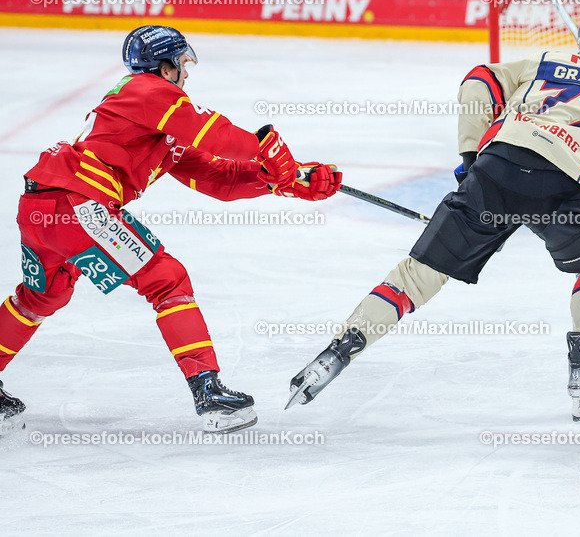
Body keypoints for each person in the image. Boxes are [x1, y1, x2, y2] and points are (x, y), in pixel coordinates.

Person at [287, 8, 580, 421]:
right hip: (562, 191)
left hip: (496, 169)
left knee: (418, 274)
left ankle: (341, 347)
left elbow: (478, 80)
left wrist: (471, 159)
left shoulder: (544, 62)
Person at [0, 25, 342, 436]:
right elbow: (214, 134)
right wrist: (268, 148)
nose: (186, 73)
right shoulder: (146, 90)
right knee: (168, 279)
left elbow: (221, 177)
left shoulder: (156, 124)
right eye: (182, 63)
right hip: (79, 206)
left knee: (41, 296)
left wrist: (287, 180)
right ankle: (209, 392)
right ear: (163, 66)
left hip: (42, 208)